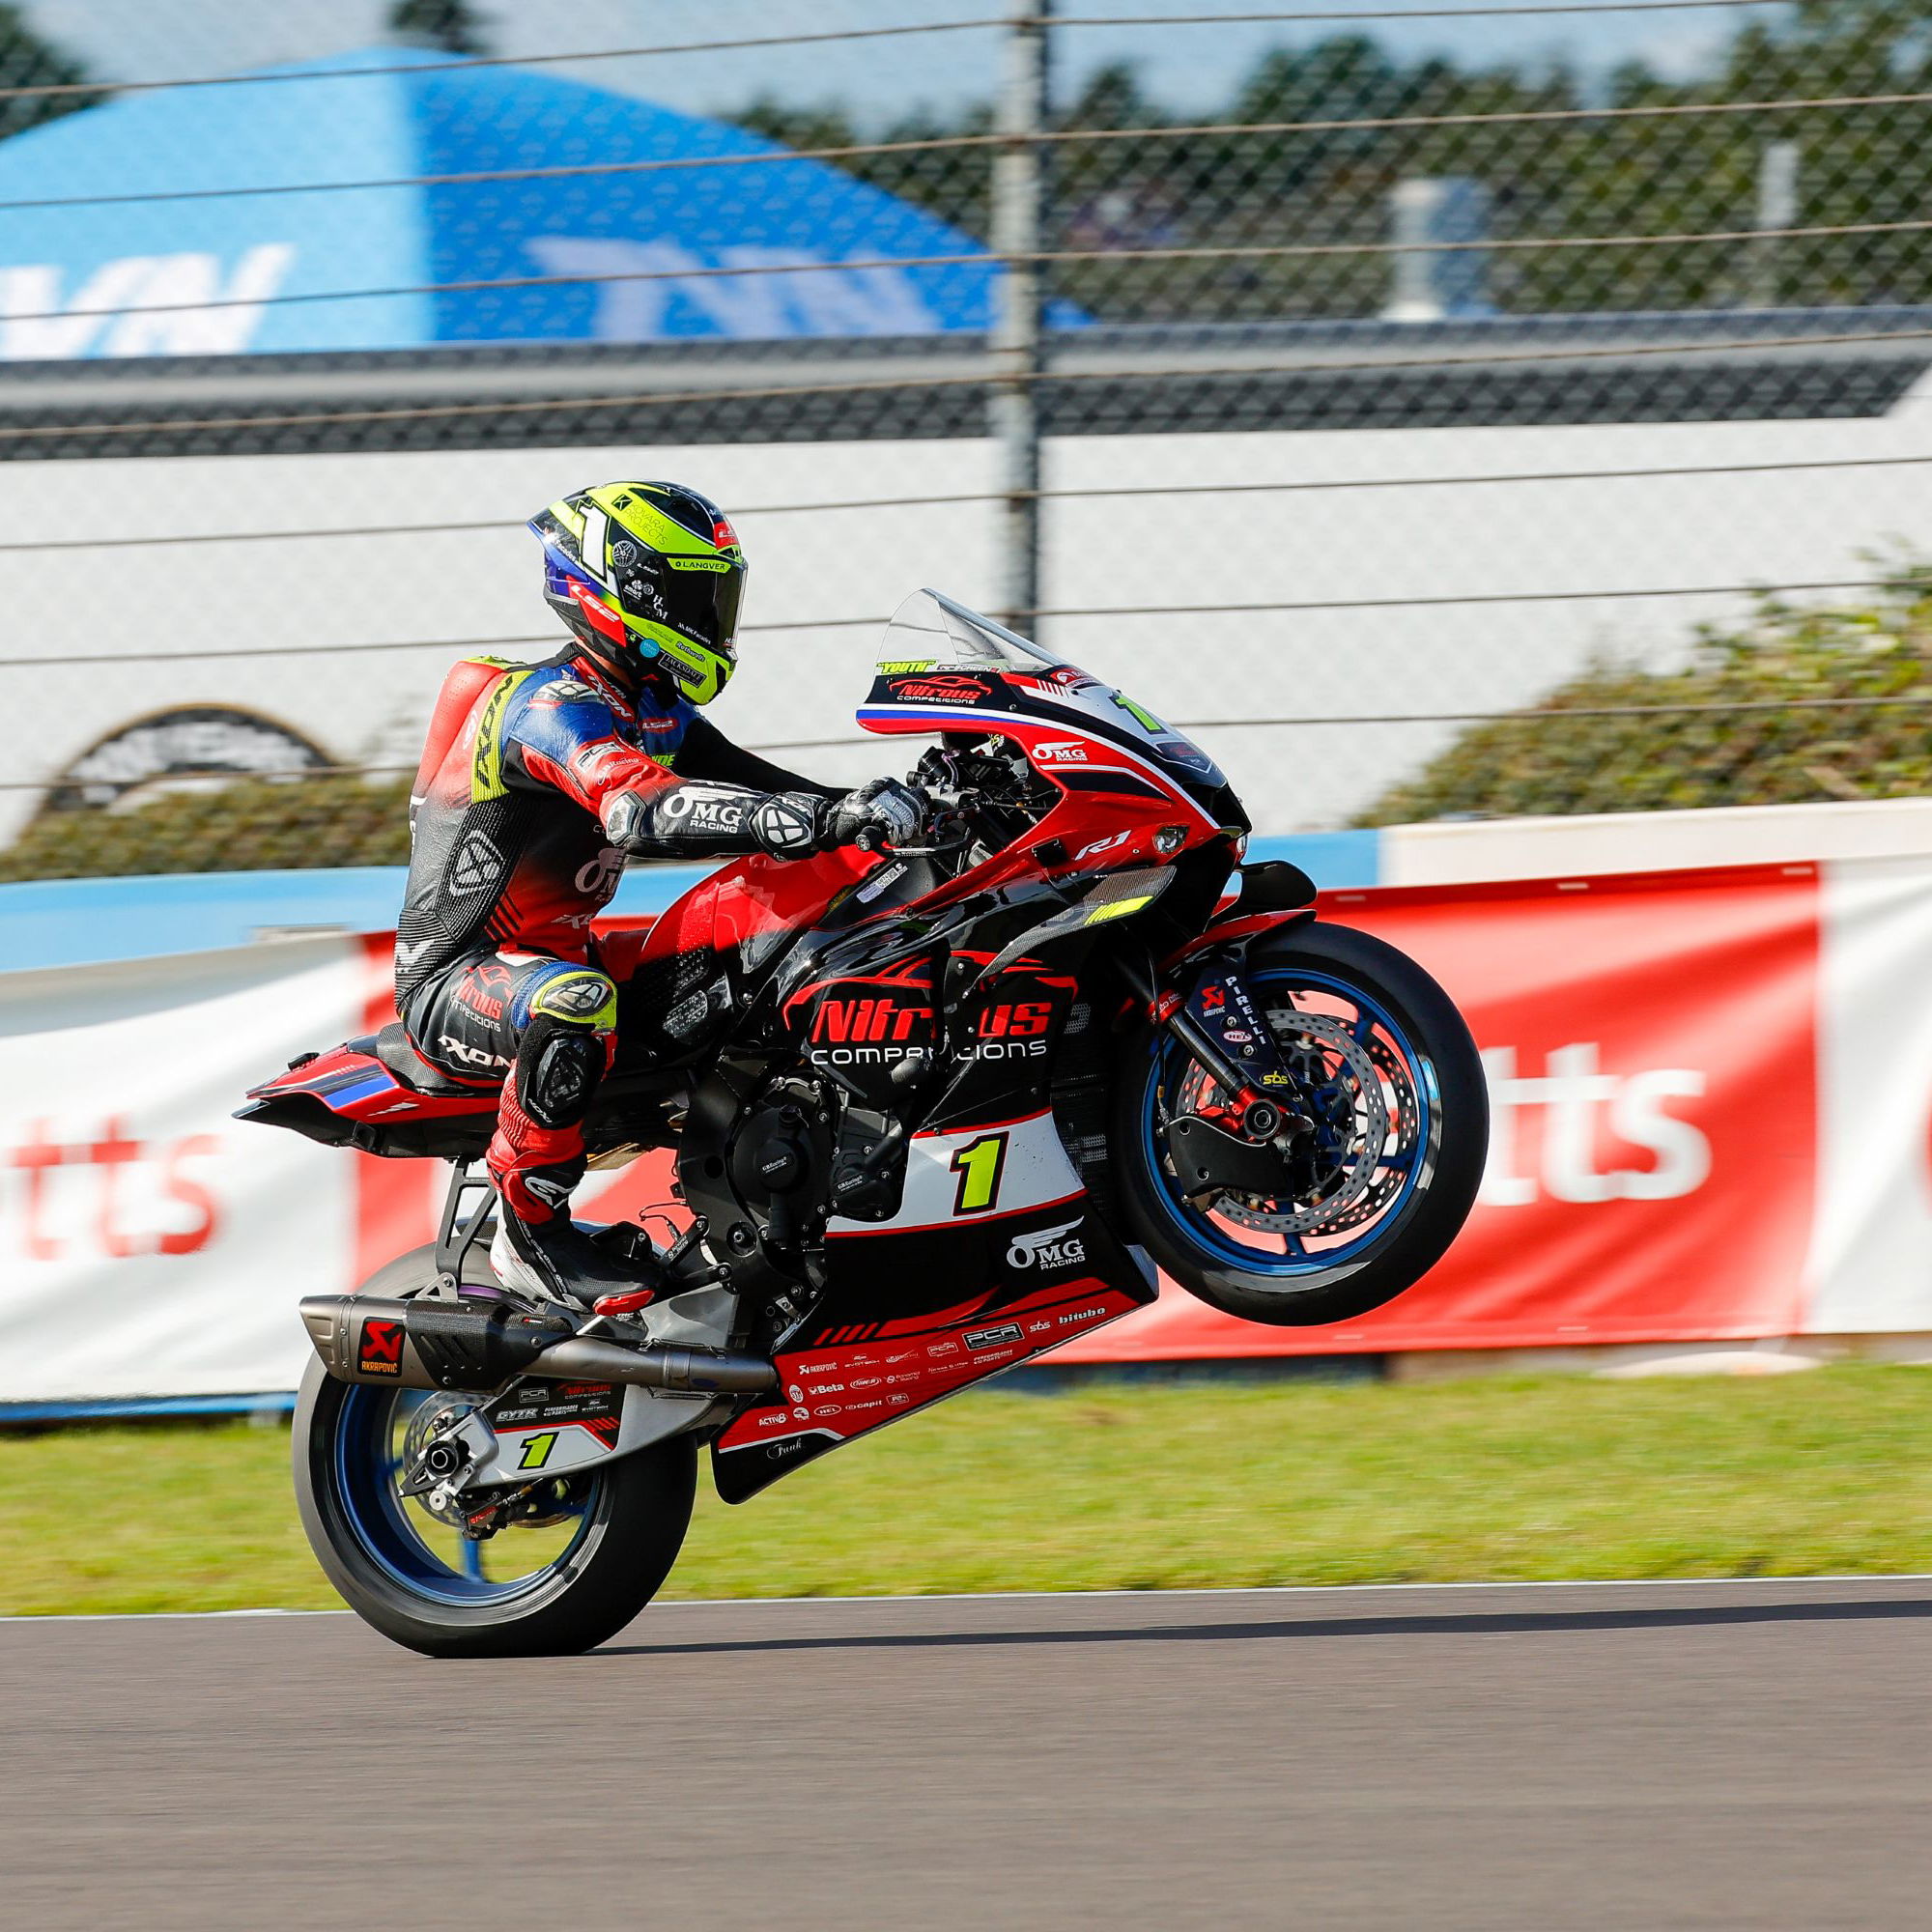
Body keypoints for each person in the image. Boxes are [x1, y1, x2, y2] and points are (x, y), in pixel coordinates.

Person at [393, 481, 923, 1307]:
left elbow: (775, 791)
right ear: (627, 590)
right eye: (693, 592)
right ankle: (526, 1230)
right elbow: (643, 808)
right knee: (576, 999)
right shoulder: (545, 705)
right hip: (458, 978)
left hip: (567, 953)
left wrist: (895, 817)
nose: (712, 614)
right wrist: (821, 818)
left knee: (766, 950)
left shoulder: (651, 709)